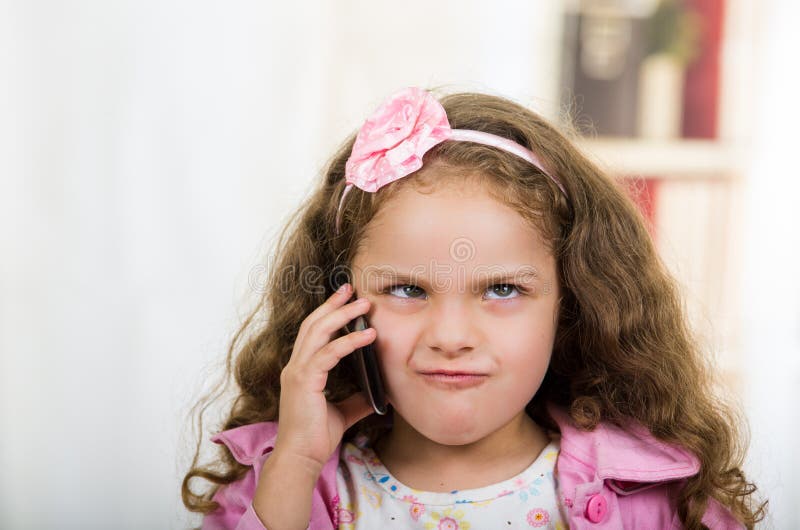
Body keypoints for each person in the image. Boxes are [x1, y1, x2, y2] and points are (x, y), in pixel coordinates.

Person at [181, 87, 765, 529]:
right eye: (408, 290)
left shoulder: (658, 497)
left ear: (572, 304)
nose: (452, 336)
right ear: (338, 308)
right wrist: (295, 465)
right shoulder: (280, 486)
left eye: (502, 290)